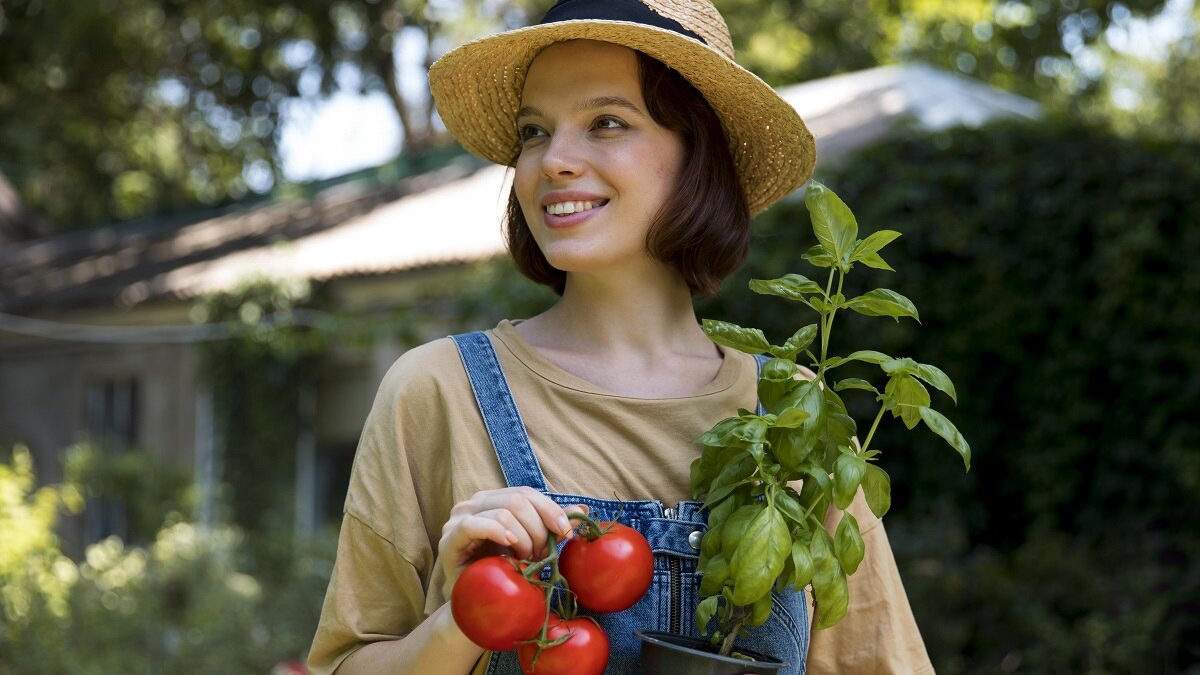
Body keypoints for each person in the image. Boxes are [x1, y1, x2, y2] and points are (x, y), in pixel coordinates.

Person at [307, 1, 933, 673]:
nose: (554, 161)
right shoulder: (436, 393)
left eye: (606, 122)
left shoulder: (792, 414)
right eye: (534, 131)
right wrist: (463, 617)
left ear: (701, 152)